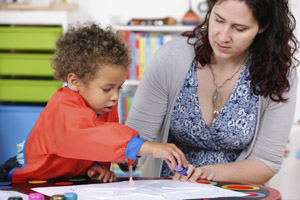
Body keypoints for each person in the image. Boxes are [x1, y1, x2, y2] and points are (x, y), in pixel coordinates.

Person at [126, 0, 299, 184]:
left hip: (237, 192)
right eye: (218, 20)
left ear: (263, 26)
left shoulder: (279, 74)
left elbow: (266, 162)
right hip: (167, 189)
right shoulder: (171, 58)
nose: (223, 37)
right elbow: (133, 141)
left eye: (239, 28)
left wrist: (203, 173)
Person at [1, 22, 187, 182]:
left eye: (119, 88)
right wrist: (148, 147)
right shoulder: (62, 107)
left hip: (64, 180)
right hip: (24, 175)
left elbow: (101, 141)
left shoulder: (103, 104)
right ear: (75, 82)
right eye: (107, 89)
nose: (115, 96)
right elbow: (85, 137)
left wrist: (98, 166)